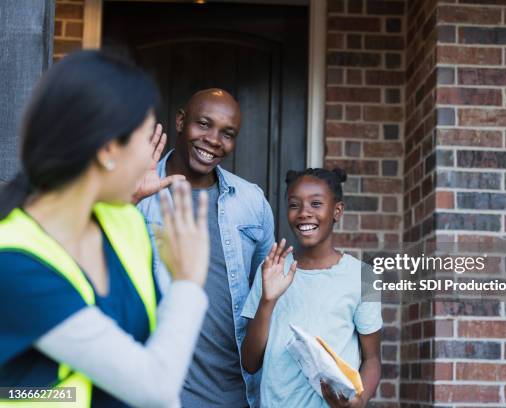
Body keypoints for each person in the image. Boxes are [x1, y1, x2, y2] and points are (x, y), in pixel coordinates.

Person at [0, 50, 210, 408]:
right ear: (108, 149)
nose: (152, 158)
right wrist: (189, 280)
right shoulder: (14, 261)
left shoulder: (126, 220)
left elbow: (161, 348)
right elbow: (154, 385)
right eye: (148, 139)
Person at [137, 89, 275, 407]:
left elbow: (265, 297)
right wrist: (127, 197)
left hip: (236, 394)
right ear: (181, 120)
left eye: (228, 134)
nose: (214, 140)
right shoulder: (137, 193)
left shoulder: (251, 201)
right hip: (160, 390)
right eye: (204, 124)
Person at [240, 168, 382, 408]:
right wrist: (267, 301)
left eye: (316, 204)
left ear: (337, 211)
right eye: (294, 205)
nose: (304, 213)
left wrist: (361, 399)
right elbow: (250, 362)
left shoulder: (363, 277)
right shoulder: (272, 271)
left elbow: (372, 360)